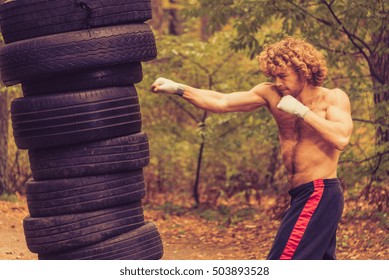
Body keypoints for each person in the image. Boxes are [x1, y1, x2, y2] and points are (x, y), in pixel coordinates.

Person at [151, 37, 353, 260]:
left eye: (283, 75)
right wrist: (179, 89)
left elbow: (341, 138)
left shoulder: (333, 98)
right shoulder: (271, 94)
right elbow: (222, 102)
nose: (278, 82)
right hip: (299, 194)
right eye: (273, 76)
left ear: (303, 71)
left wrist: (302, 112)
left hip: (320, 192)